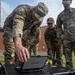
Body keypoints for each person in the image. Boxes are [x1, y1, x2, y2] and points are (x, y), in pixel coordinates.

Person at [56, 0, 75, 69]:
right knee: (68, 59)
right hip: (66, 40)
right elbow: (58, 28)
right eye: (64, 4)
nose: (65, 6)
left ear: (70, 2)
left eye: (67, 4)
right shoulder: (60, 15)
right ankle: (69, 72)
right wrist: (59, 39)